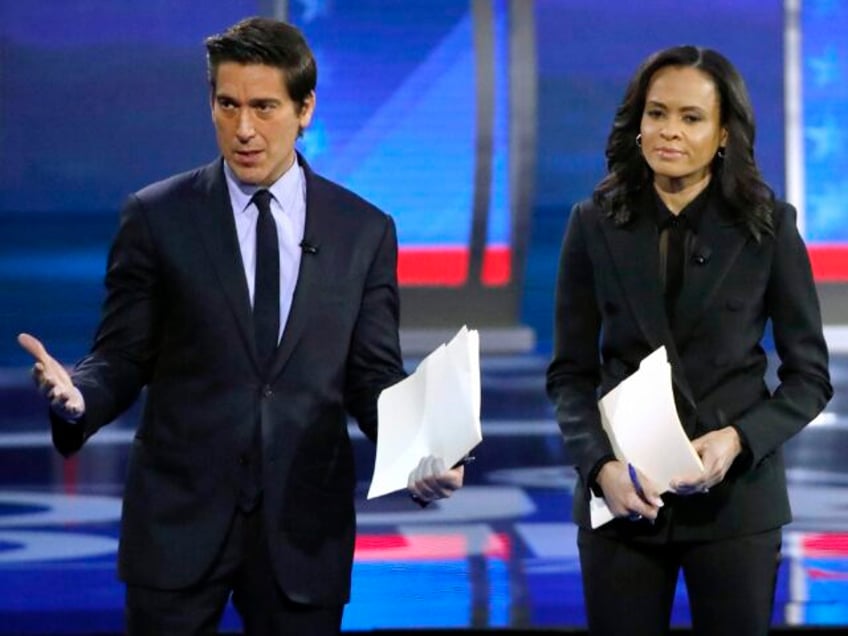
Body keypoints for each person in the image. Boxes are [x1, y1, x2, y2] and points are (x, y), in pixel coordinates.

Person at [18, 16, 464, 635]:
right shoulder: (156, 217)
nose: (244, 129)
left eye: (264, 107)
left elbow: (372, 375)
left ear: (305, 108)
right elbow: (121, 354)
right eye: (227, 105)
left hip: (302, 532)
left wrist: (420, 447)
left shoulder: (363, 230)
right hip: (177, 525)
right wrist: (78, 397)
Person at [545, 45, 832, 635]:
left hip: (736, 506)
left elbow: (809, 379)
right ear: (637, 122)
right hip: (624, 499)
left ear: (724, 133)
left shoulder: (769, 227)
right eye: (656, 113)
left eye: (691, 117)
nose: (668, 131)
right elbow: (569, 374)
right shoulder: (593, 223)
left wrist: (738, 440)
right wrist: (599, 467)